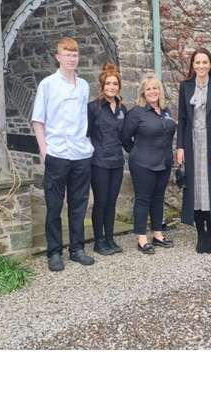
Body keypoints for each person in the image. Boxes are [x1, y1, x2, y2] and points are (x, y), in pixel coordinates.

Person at [32, 37, 96, 271]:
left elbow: (83, 121)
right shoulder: (47, 85)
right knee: (54, 205)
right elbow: (38, 119)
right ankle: (54, 252)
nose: (72, 58)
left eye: (75, 55)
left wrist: (87, 144)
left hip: (80, 155)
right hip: (57, 154)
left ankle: (77, 249)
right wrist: (44, 150)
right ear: (58, 57)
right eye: (68, 55)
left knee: (79, 204)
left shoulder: (84, 86)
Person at [175, 47, 211, 254]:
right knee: (195, 190)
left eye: (205, 62)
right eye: (197, 62)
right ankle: (200, 234)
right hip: (191, 143)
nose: (201, 66)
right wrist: (180, 146)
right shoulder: (185, 87)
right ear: (192, 65)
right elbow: (181, 118)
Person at [122, 73, 177, 254]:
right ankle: (142, 239)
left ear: (160, 91)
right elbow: (125, 139)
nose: (152, 91)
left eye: (155, 88)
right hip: (143, 164)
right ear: (143, 93)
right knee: (143, 200)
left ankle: (158, 235)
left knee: (158, 199)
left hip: (164, 162)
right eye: (148, 89)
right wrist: (138, 152)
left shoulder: (166, 112)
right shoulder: (136, 113)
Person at [87, 62, 128, 256]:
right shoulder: (93, 108)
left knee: (112, 202)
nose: (112, 87)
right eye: (108, 83)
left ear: (119, 86)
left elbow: (125, 136)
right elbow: (85, 134)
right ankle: (99, 240)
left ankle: (110, 238)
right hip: (99, 161)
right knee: (101, 201)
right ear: (101, 86)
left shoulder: (122, 109)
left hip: (117, 161)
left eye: (115, 84)